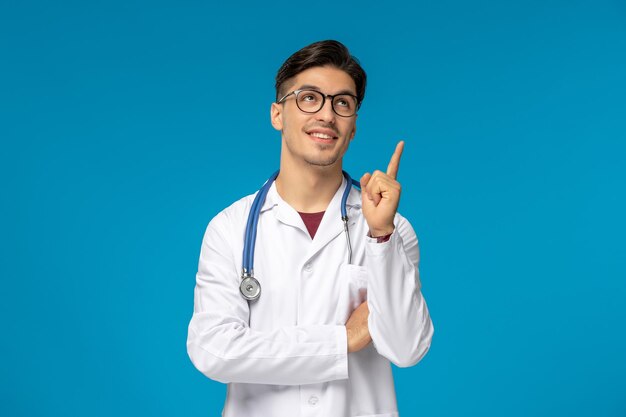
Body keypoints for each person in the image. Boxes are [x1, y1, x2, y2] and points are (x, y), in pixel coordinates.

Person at [186, 40, 434, 417]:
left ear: (352, 128)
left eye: (342, 103)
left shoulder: (392, 228)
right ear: (277, 114)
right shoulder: (231, 228)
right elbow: (213, 350)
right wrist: (343, 339)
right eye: (309, 98)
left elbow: (408, 348)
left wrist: (381, 237)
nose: (327, 115)